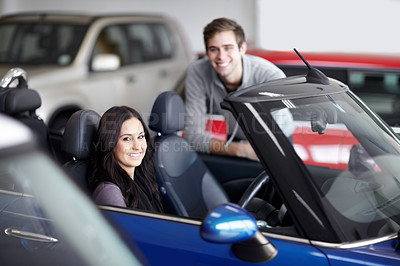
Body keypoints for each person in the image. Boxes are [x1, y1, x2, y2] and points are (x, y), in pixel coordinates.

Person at [184, 17, 293, 161]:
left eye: (228, 48)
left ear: (242, 48)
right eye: (213, 49)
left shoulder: (269, 75)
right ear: (207, 52)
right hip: (235, 140)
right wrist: (240, 150)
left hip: (276, 140)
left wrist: (244, 150)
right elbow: (192, 136)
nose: (221, 56)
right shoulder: (198, 72)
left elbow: (274, 133)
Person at [87, 106, 164, 212]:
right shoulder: (110, 192)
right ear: (110, 144)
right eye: (127, 138)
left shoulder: (141, 176)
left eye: (140, 136)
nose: (137, 146)